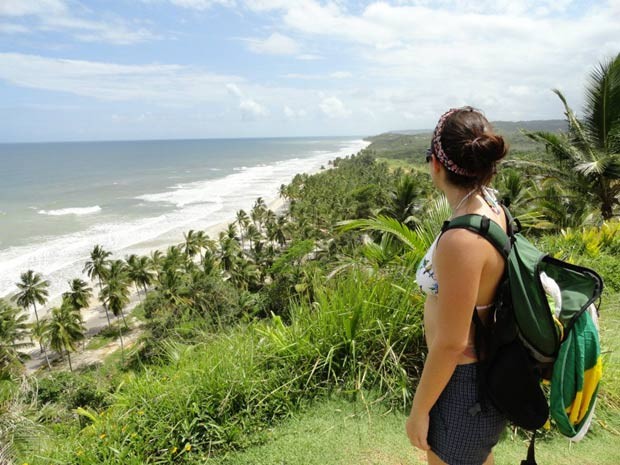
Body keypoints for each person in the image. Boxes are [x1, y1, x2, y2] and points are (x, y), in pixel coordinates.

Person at [406, 107, 509, 465]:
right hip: (480, 378)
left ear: (436, 164)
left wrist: (419, 411)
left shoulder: (462, 239)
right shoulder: (491, 205)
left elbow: (452, 342)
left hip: (464, 386)